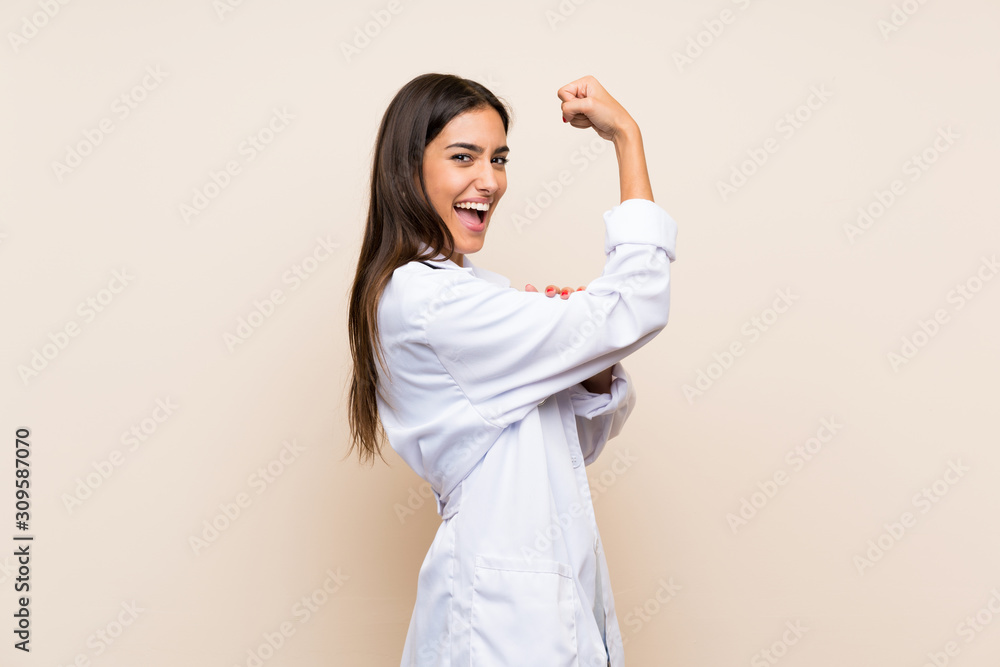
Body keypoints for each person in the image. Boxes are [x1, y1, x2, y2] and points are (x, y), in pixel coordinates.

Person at [347, 72, 678, 667]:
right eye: (463, 157)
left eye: (498, 159)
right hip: (502, 619)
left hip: (532, 600)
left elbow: (577, 441)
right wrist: (626, 137)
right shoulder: (431, 303)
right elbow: (637, 302)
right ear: (408, 170)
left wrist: (586, 365)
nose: (490, 180)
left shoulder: (470, 294)